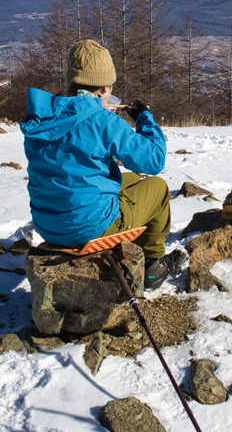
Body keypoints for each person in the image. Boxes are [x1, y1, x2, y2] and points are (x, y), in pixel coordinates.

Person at [20, 39, 186, 290]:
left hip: (47, 223)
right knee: (158, 188)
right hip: (88, 227)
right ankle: (152, 265)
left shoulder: (42, 118)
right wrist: (145, 119)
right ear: (105, 87)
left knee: (131, 179)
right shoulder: (102, 120)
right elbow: (153, 161)